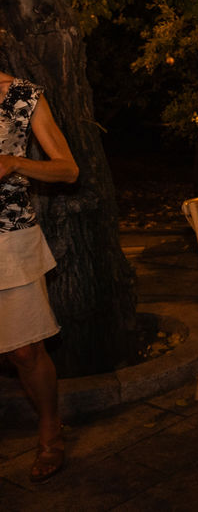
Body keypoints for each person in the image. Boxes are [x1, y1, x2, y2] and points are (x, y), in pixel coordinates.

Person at [0, 71, 79, 483]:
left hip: (9, 237)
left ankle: (50, 429)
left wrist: (14, 163)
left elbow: (68, 170)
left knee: (25, 351)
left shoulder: (22, 96)